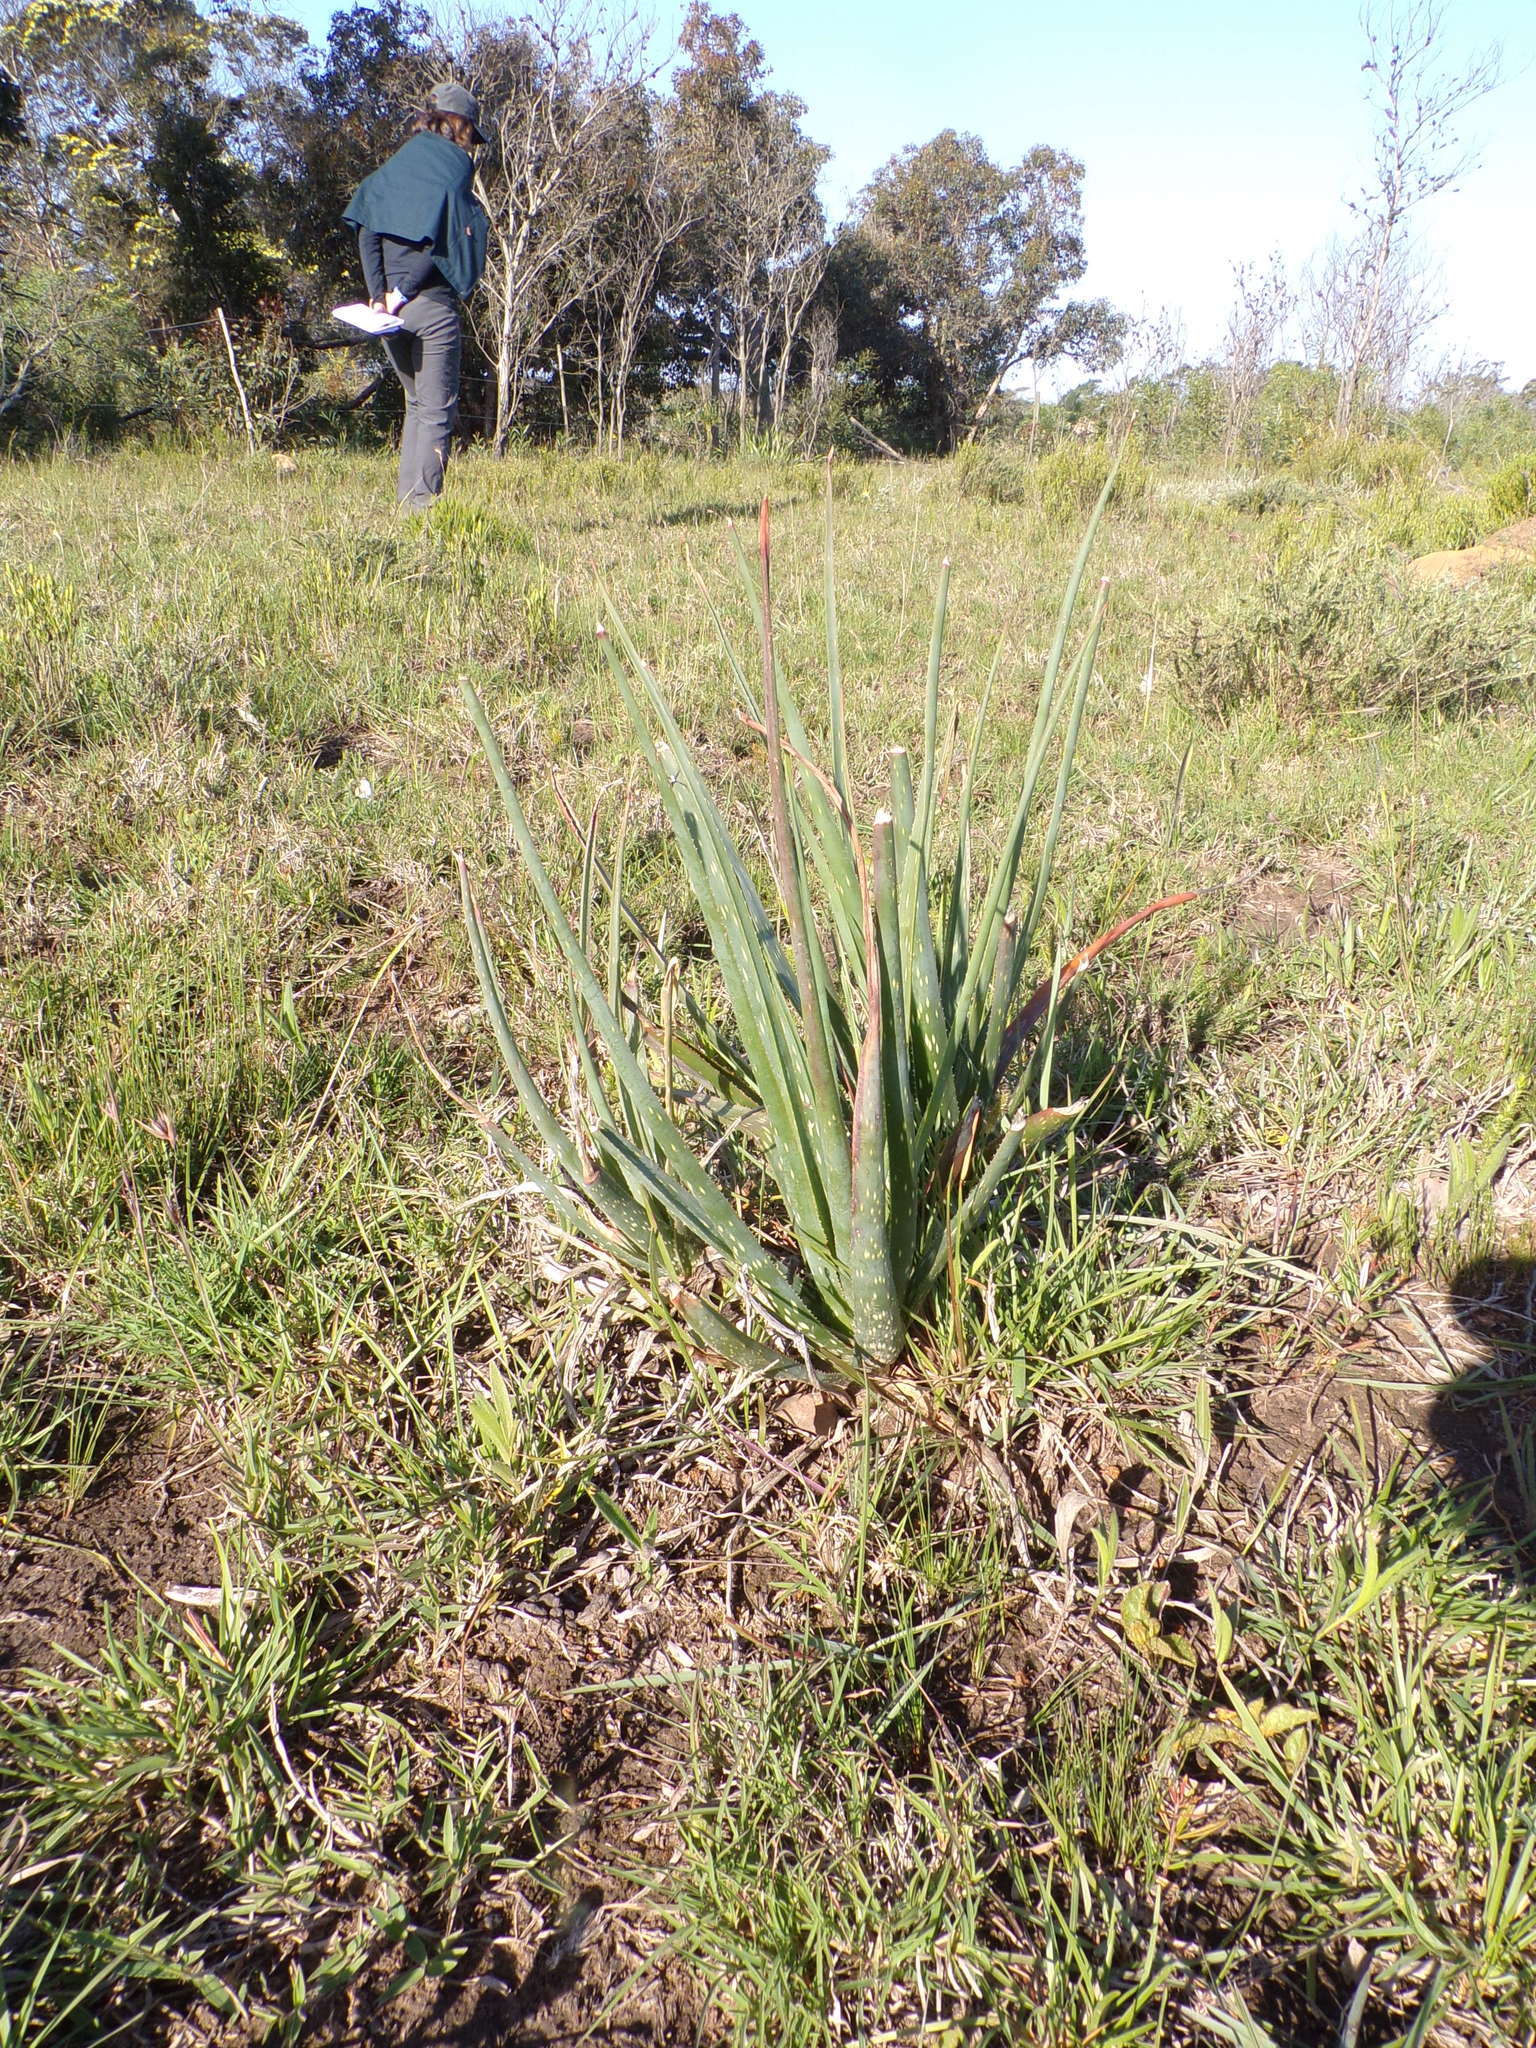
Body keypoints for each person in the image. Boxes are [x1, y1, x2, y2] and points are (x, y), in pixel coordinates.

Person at [343, 83, 490, 512]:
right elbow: (444, 242)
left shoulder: (399, 164)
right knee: (437, 412)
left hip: (387, 317)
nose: (471, 145)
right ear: (458, 125)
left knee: (416, 406)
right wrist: (403, 293)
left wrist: (378, 297)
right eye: (470, 133)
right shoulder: (456, 166)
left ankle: (406, 510)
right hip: (429, 308)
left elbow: (366, 224)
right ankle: (421, 516)